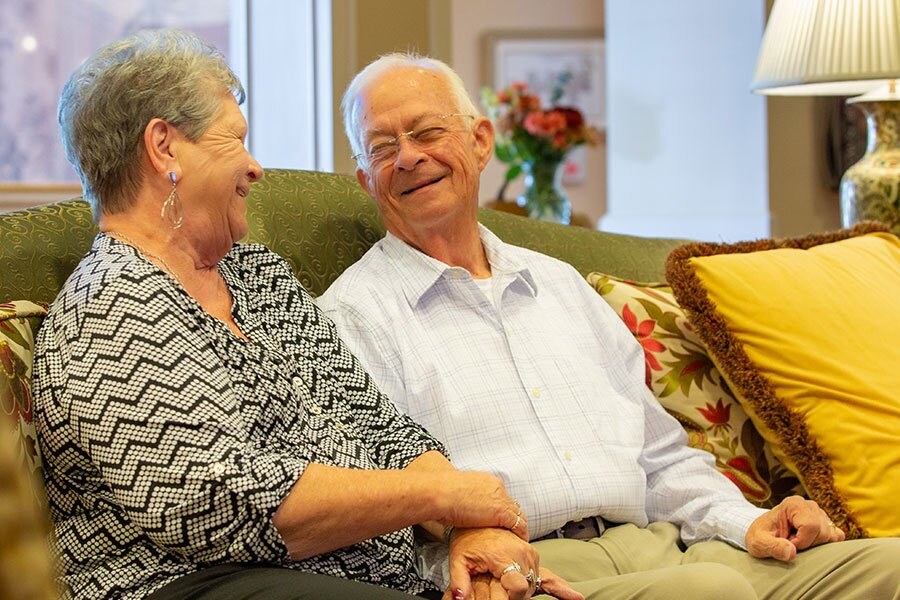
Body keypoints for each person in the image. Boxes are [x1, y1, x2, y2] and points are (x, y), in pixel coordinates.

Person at [317, 52, 900, 600]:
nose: (409, 157)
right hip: (528, 570)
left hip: (660, 543)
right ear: (368, 181)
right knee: (709, 592)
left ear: (480, 141)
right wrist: (457, 558)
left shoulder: (561, 285)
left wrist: (748, 522)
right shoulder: (352, 318)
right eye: (382, 146)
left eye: (425, 132)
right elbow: (375, 510)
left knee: (886, 567)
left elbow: (661, 459)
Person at [33, 31, 561, 600]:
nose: (256, 168)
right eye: (235, 139)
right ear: (164, 148)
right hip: (203, 587)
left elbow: (378, 424)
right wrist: (443, 498)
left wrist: (470, 530)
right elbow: (216, 504)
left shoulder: (257, 276)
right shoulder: (113, 306)